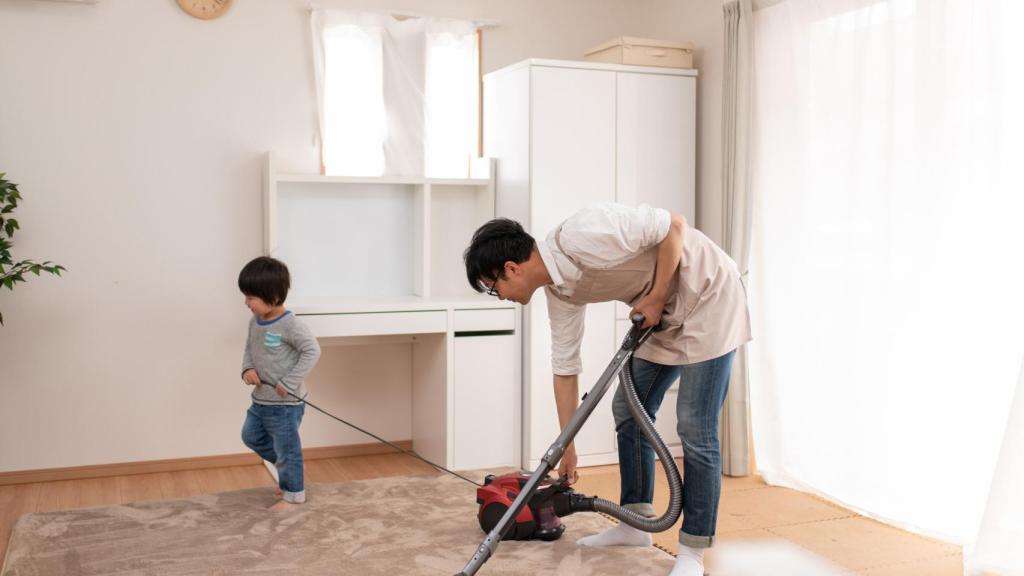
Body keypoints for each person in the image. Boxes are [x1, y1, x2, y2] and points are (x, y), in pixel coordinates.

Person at [463, 203, 750, 576]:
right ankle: (636, 523)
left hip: (709, 296)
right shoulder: (561, 293)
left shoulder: (580, 234)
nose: (499, 295)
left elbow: (673, 227)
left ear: (511, 268)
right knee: (629, 411)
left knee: (695, 426)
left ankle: (693, 551)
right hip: (660, 315)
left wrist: (657, 296)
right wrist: (567, 447)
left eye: (493, 286)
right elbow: (565, 367)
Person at [238, 256, 321, 511]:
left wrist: (290, 381)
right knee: (250, 436)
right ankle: (290, 467)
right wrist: (248, 368)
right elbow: (249, 349)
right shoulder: (255, 322)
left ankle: (294, 496)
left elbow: (312, 351)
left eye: (251, 298)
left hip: (285, 404)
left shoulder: (291, 325)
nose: (246, 303)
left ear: (272, 296)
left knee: (287, 449)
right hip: (261, 399)